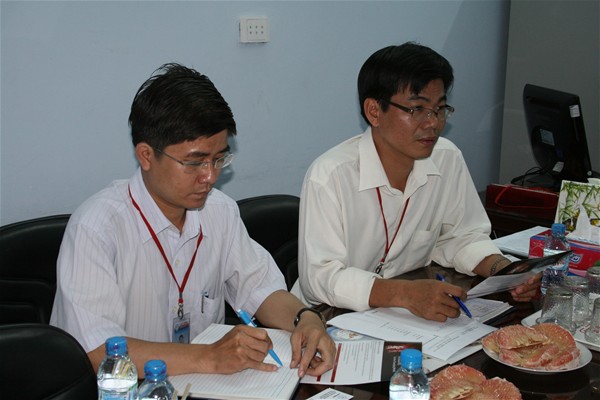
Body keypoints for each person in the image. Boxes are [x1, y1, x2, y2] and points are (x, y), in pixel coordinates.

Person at [51, 63, 335, 378]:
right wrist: (209, 358)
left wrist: (305, 319)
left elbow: (260, 288)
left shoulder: (219, 211)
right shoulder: (96, 229)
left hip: (207, 387)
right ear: (146, 156)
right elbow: (97, 351)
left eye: (219, 159)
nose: (210, 176)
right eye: (194, 162)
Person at [291, 42, 541, 322]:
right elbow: (320, 279)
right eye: (417, 109)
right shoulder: (330, 176)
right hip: (325, 318)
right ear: (374, 111)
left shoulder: (447, 158)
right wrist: (405, 294)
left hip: (404, 317)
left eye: (440, 108)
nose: (432, 123)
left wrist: (506, 270)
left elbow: (462, 236)